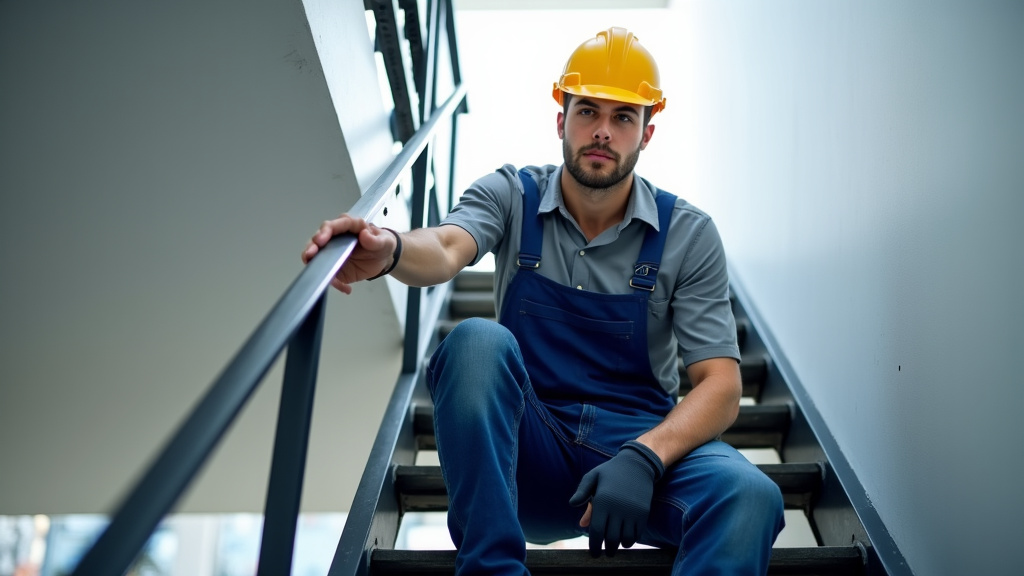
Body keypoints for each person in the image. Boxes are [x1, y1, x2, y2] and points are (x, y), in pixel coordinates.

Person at [303, 27, 784, 576]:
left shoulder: (688, 234)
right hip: (527, 448)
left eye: (624, 117)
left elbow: (721, 386)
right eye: (588, 112)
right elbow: (444, 245)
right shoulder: (512, 193)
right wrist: (388, 249)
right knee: (476, 341)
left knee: (750, 497)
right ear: (562, 119)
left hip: (637, 455)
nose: (602, 131)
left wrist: (646, 456)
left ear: (647, 133)